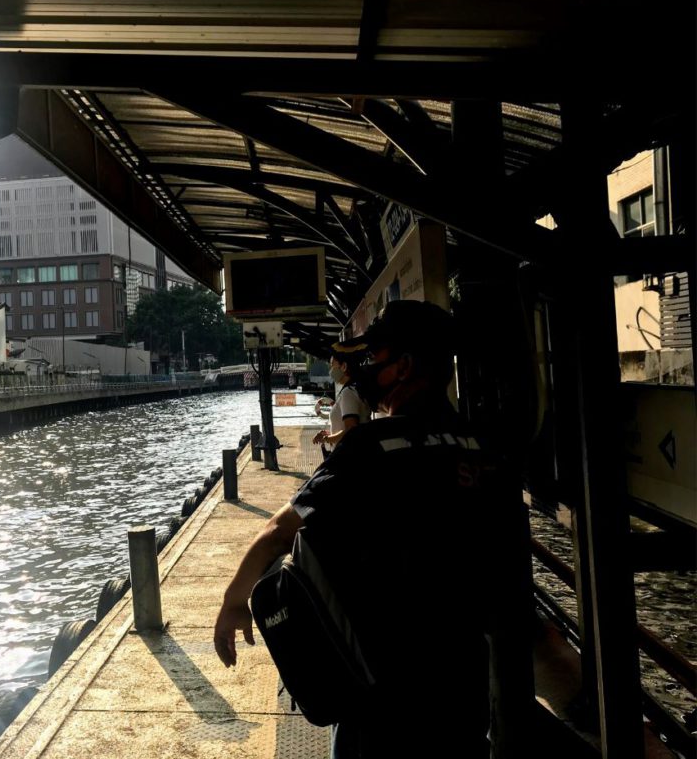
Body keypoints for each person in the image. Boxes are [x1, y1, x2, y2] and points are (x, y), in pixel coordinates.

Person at [213, 300, 525, 758]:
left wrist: (234, 601)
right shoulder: (482, 447)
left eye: (372, 358)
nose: (360, 369)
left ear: (404, 366)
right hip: (465, 676)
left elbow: (280, 531)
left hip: (381, 685)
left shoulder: (372, 446)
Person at [312, 343, 369, 457]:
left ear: (344, 366)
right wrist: (329, 435)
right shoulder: (352, 389)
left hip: (348, 456)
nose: (331, 370)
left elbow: (351, 429)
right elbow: (345, 429)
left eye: (333, 365)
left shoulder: (348, 392)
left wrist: (327, 439)